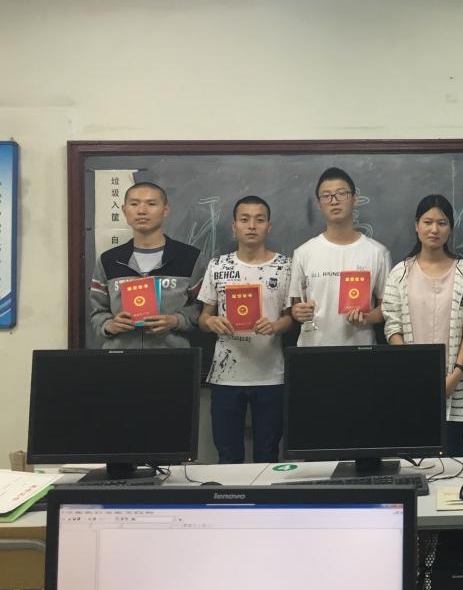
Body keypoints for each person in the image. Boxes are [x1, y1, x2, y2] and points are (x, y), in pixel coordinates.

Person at [382, 194, 463, 457]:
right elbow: (392, 326)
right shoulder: (400, 272)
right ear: (417, 226)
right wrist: (414, 370)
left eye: (442, 223)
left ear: (450, 229)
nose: (434, 229)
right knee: (412, 460)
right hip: (410, 380)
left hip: (454, 382)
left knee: (452, 459)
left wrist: (456, 374)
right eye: (427, 222)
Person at [197, 196, 293, 464]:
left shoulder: (285, 266)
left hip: (271, 376)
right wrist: (212, 322)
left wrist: (274, 326)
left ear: (268, 227)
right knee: (228, 456)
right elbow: (203, 317)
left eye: (259, 220)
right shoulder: (218, 265)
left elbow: (291, 318)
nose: (252, 226)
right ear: (234, 226)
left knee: (268, 455)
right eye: (244, 219)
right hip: (226, 377)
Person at [89, 181, 204, 348]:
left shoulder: (189, 257)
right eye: (134, 204)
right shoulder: (109, 260)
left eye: (151, 204)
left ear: (165, 210)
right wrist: (110, 325)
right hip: (120, 356)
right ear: (124, 210)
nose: (142, 211)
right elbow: (98, 311)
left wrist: (175, 320)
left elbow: (201, 307)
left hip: (173, 355)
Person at [289, 167, 391, 345]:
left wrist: (366, 318)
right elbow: (296, 305)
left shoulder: (378, 253)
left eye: (341, 194)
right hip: (313, 350)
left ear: (354, 199)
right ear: (319, 204)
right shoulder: (303, 253)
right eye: (326, 196)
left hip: (360, 350)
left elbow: (387, 308)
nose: (334, 201)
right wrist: (297, 312)